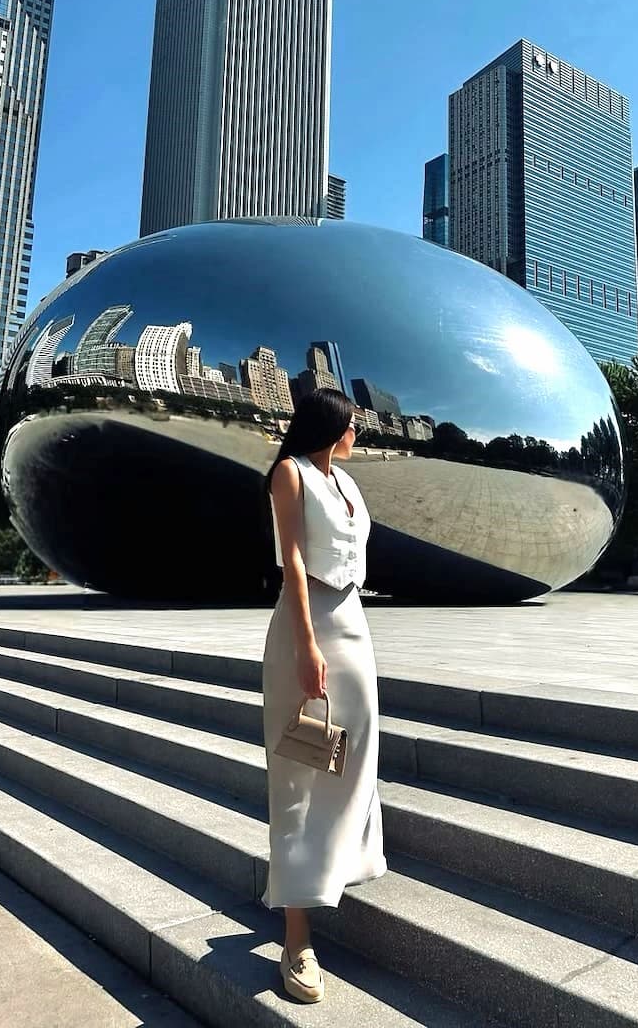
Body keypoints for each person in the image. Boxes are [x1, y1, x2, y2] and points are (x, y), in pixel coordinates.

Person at [262, 389, 387, 1004]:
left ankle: (334, 867)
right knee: (297, 773)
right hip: (304, 627)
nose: (357, 430)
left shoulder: (349, 483)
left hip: (353, 623)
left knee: (357, 754)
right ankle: (296, 935)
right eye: (352, 422)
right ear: (331, 424)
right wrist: (307, 647)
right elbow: (291, 561)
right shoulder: (291, 472)